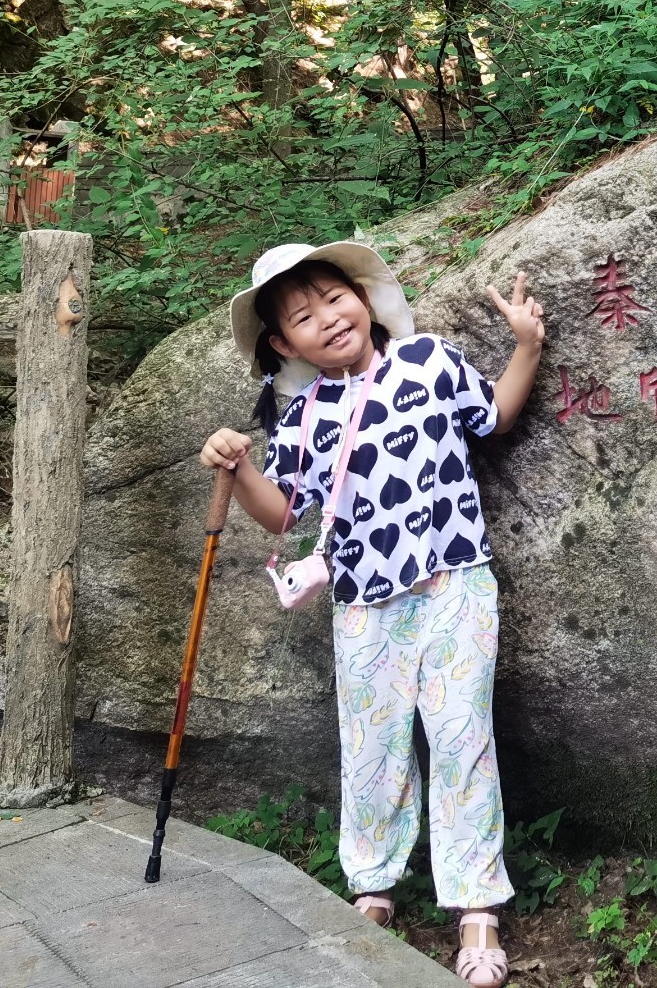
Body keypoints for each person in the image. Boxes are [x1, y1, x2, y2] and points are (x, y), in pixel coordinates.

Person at [198, 240, 544, 988]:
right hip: (362, 604)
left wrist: (526, 345)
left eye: (334, 298)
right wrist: (240, 465)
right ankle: (374, 886)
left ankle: (477, 906)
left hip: (454, 583)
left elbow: (494, 416)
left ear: (362, 297)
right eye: (302, 317)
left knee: (461, 739)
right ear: (283, 345)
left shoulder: (430, 360)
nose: (327, 318)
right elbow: (281, 515)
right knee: (371, 747)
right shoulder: (305, 415)